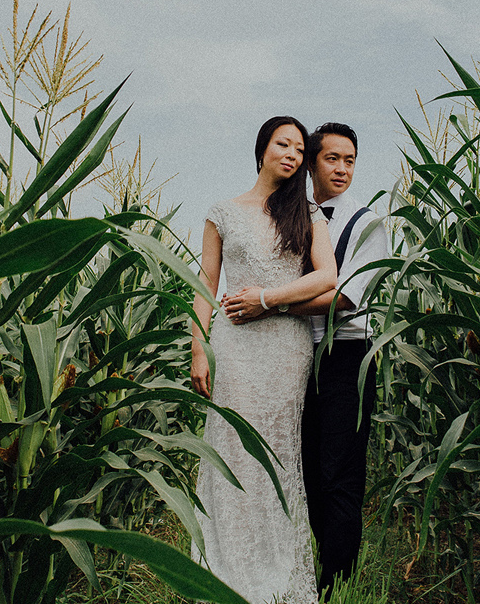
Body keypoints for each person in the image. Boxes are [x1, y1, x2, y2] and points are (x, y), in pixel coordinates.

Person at [224, 122, 388, 598]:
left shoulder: (367, 223)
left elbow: (344, 298)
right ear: (312, 162)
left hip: (345, 356)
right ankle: (304, 573)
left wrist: (269, 304)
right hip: (296, 355)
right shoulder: (294, 216)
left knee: (338, 475)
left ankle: (338, 587)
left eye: (350, 160)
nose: (342, 169)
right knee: (306, 471)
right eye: (332, 159)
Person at [190, 116, 339, 604]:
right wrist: (198, 349)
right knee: (231, 448)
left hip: (285, 347)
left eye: (300, 149)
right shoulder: (222, 213)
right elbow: (204, 286)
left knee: (275, 454)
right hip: (233, 345)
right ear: (262, 150)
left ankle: (275, 577)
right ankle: (223, 573)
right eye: (284, 144)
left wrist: (268, 299)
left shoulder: (307, 214)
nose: (293, 155)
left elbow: (327, 279)